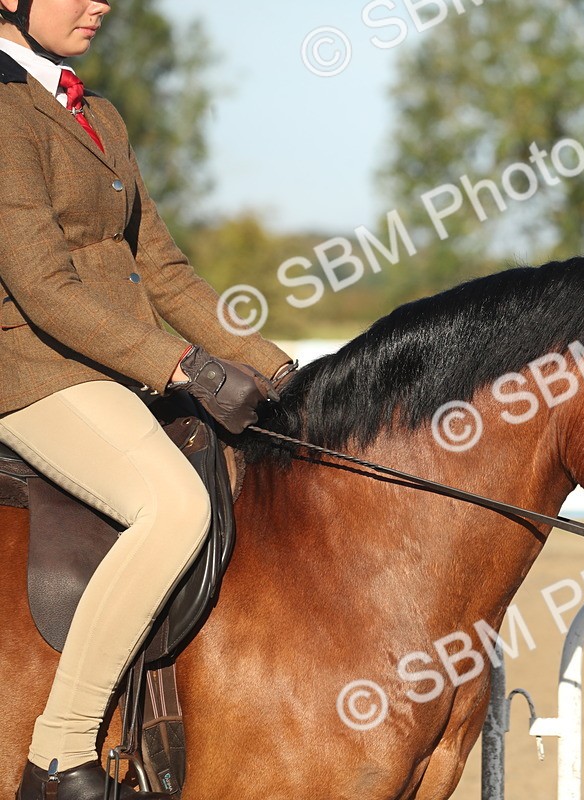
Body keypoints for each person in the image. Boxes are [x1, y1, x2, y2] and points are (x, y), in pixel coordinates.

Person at [0, 1, 295, 797]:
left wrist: (277, 370)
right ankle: (58, 753)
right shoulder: (1, 113)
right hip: (33, 370)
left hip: (117, 367)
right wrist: (183, 368)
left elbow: (164, 272)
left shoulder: (98, 113)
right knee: (172, 507)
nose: (100, 3)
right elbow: (43, 288)